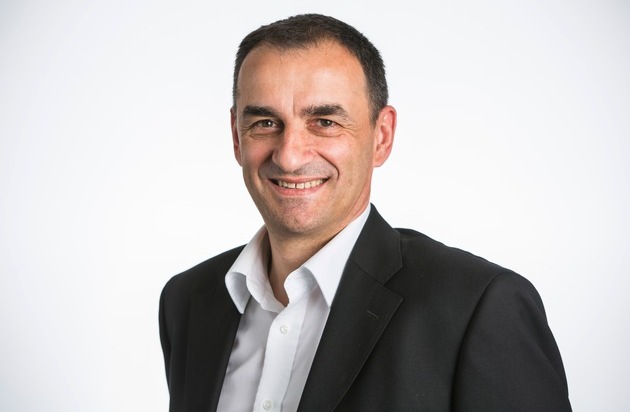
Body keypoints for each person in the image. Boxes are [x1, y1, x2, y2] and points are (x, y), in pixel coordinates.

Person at [159, 13, 572, 412]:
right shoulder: (187, 302)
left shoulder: (478, 308)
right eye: (266, 123)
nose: (289, 157)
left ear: (381, 137)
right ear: (237, 137)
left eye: (324, 122)